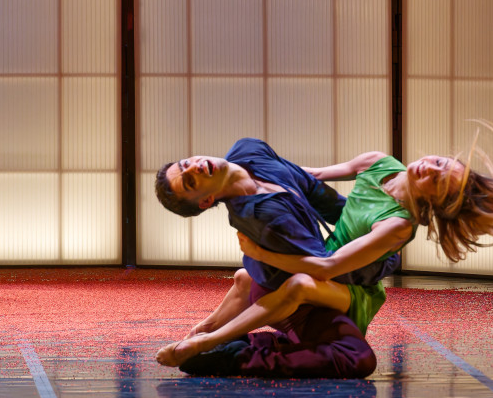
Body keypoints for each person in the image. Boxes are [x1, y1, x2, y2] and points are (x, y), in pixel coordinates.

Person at [157, 108, 493, 368]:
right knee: (246, 278)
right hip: (328, 257)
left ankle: (205, 344)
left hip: (351, 287)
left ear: (436, 202)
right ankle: (199, 331)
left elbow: (329, 267)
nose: (426, 170)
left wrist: (262, 250)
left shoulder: (399, 224)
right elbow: (309, 178)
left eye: (436, 181)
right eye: (438, 163)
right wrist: (260, 174)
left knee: (297, 283)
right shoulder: (378, 163)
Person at [154, 137, 400, 377]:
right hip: (296, 299)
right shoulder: (264, 217)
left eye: (186, 164)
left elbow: (318, 194)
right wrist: (385, 255)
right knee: (356, 358)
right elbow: (327, 267)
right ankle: (232, 355)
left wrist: (371, 224)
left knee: (248, 279)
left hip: (268, 278)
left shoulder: (249, 150)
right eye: (190, 182)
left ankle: (204, 333)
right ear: (206, 200)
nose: (195, 167)